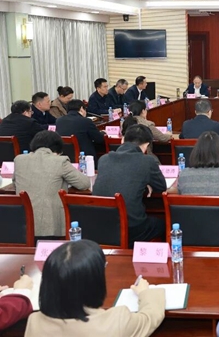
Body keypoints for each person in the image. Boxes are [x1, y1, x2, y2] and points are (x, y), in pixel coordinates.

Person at [25, 239, 165, 337]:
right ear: (93, 281)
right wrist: (145, 293)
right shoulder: (115, 322)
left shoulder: (34, 322)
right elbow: (149, 317)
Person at [93, 125, 168, 245]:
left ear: (122, 140)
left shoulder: (104, 159)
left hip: (100, 226)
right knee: (163, 224)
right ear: (147, 145)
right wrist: (146, 184)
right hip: (132, 229)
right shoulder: (147, 161)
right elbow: (161, 187)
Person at [13, 131, 90, 240]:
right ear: (57, 149)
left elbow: (15, 184)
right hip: (51, 227)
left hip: (22, 225)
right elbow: (84, 183)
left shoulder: (19, 160)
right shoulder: (60, 161)